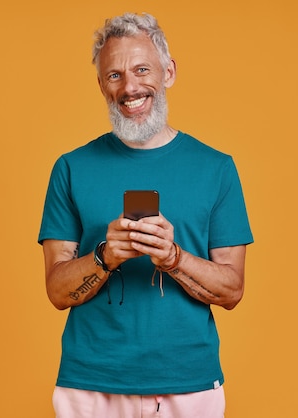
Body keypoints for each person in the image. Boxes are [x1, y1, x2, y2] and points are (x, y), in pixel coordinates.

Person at [38, 12, 253, 418]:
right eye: (115, 75)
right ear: (101, 85)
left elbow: (232, 291)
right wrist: (105, 256)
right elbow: (56, 290)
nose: (130, 87)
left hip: (188, 383)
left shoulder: (216, 168)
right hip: (91, 383)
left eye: (141, 70)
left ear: (168, 72)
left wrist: (174, 258)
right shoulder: (71, 168)